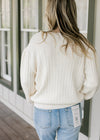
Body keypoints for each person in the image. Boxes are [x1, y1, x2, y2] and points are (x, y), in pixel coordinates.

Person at [20, 0, 100, 140]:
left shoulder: (38, 40)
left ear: (49, 13)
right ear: (73, 13)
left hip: (44, 110)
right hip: (71, 110)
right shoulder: (83, 43)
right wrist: (79, 95)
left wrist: (32, 97)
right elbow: (93, 82)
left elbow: (27, 79)